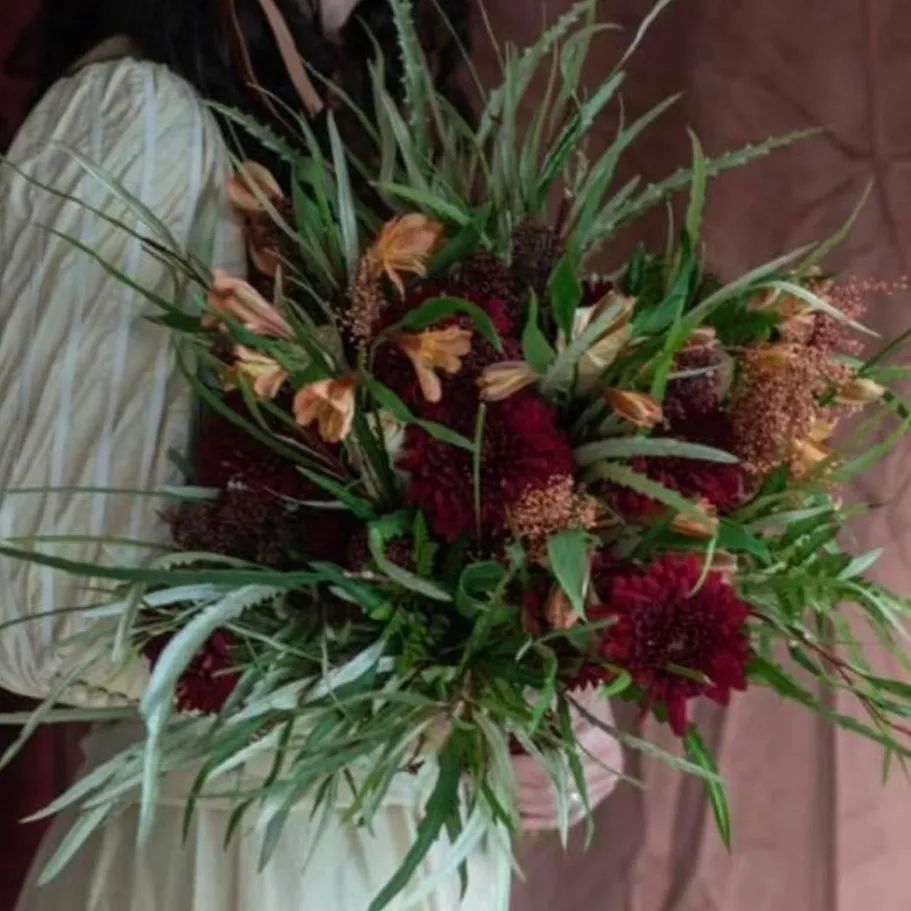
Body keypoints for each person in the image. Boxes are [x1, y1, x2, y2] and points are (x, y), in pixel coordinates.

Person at [0, 2, 623, 909]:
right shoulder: (140, 114)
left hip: (417, 855)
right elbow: (43, 612)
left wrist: (543, 672)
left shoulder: (391, 105)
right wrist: (432, 684)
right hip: (232, 857)